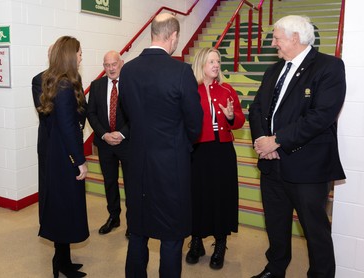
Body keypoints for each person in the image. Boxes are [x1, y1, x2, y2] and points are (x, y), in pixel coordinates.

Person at [248, 15, 346, 278]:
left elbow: (321, 116)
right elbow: (256, 109)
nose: (273, 43)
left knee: (315, 231)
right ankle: (275, 269)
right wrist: (262, 143)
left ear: (295, 37)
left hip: (308, 167)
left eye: (277, 37)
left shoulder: (329, 67)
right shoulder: (273, 70)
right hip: (271, 165)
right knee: (276, 224)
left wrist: (277, 140)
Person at [119, 13, 203, 278]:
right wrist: (180, 146)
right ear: (174, 36)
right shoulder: (181, 71)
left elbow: (128, 114)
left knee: (138, 232)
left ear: (153, 33)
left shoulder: (128, 71)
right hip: (171, 166)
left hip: (137, 163)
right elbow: (194, 123)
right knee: (171, 236)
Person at [186, 47, 245, 270]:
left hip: (222, 151)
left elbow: (239, 120)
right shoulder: (192, 90)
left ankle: (220, 244)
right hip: (198, 151)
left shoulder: (227, 89)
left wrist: (231, 117)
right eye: (211, 61)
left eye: (218, 61)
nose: (216, 65)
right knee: (197, 197)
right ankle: (197, 242)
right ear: (201, 64)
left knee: (222, 198)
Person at [37, 36, 89, 278]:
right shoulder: (66, 86)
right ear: (70, 55)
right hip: (65, 158)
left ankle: (64, 260)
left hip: (57, 154)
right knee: (66, 208)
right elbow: (69, 129)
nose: (81, 57)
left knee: (63, 209)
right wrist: (80, 162)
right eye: (79, 53)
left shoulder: (57, 83)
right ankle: (60, 262)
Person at [87, 50, 130, 237]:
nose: (111, 68)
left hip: (127, 142)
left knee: (131, 183)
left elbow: (137, 113)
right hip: (104, 144)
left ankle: (133, 222)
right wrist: (104, 134)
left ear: (121, 63)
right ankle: (114, 216)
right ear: (103, 67)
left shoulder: (131, 84)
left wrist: (121, 133)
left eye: (114, 64)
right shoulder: (96, 86)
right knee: (110, 181)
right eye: (107, 65)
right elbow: (91, 114)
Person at [31, 45, 52, 224]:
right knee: (47, 186)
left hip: (67, 143)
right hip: (48, 143)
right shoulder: (39, 80)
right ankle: (46, 222)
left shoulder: (73, 78)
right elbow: (45, 112)